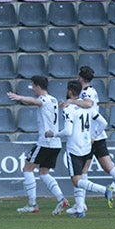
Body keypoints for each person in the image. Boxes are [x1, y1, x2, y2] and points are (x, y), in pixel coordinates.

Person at [65, 65, 115, 214]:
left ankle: (81, 204)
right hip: (95, 135)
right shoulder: (91, 90)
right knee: (106, 167)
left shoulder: (87, 92)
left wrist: (71, 102)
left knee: (82, 171)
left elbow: (89, 104)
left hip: (89, 136)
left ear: (80, 77)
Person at [7, 76, 70, 215]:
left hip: (45, 142)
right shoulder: (53, 99)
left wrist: (18, 97)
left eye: (33, 86)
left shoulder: (43, 99)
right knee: (44, 172)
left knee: (27, 169)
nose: (32, 89)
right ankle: (61, 199)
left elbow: (36, 101)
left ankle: (32, 204)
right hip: (55, 143)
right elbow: (34, 103)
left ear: (37, 86)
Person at [55, 80, 106, 218]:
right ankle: (79, 209)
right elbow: (103, 123)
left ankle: (103, 190)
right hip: (87, 146)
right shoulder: (87, 107)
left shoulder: (69, 108)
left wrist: (53, 134)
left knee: (76, 180)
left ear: (70, 91)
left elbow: (67, 131)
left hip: (74, 147)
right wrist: (94, 136)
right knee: (80, 176)